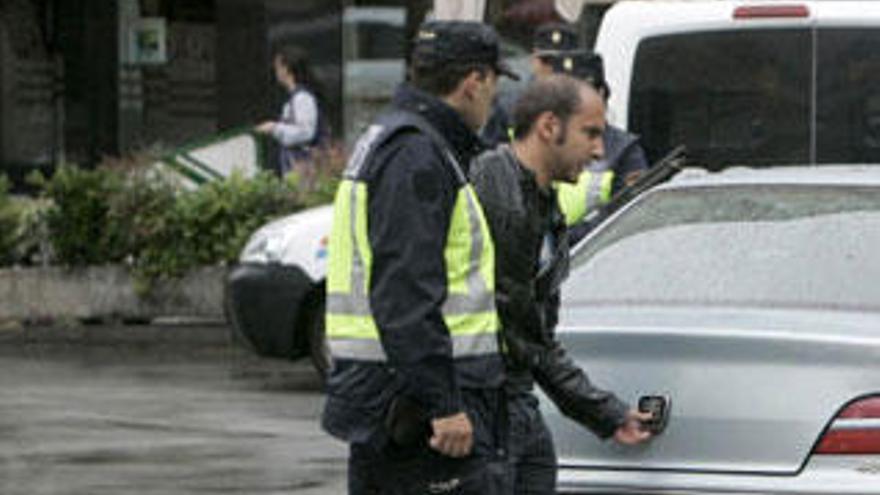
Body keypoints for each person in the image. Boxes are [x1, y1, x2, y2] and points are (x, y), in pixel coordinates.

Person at [322, 20, 519, 495]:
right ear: (474, 82)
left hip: (395, 399)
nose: (494, 98)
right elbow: (405, 293)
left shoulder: (400, 140)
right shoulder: (417, 153)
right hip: (418, 414)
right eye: (493, 83)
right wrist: (443, 403)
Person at [470, 75, 652, 494]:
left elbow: (534, 330)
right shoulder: (498, 192)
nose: (599, 151)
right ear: (549, 126)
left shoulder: (541, 198)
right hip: (487, 401)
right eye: (590, 133)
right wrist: (600, 410)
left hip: (514, 399)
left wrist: (605, 414)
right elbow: (521, 327)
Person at [550, 50, 650, 242]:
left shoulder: (624, 150)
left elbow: (626, 216)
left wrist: (566, 237)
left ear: (601, 93)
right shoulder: (541, 142)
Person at [481, 22, 579, 146]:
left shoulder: (586, 105)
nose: (553, 68)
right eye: (546, 61)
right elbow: (489, 152)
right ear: (534, 60)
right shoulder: (509, 106)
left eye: (561, 62)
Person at [255, 46, 326, 182]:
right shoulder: (295, 98)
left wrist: (274, 128)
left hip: (304, 171)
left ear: (286, 69)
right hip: (296, 169)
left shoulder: (302, 98)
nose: (276, 72)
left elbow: (306, 132)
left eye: (277, 67)